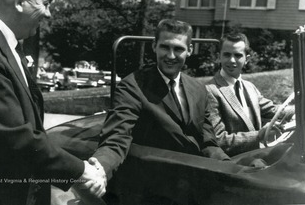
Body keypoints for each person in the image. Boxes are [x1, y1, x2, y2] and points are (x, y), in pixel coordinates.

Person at [0, 0, 105, 205]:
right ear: (21, 1)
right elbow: (12, 136)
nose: (48, 13)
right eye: (46, 3)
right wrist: (82, 171)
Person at [88, 19, 230, 187]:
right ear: (154, 46)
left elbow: (207, 143)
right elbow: (117, 138)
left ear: (189, 50)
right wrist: (100, 169)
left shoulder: (198, 89)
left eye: (178, 49)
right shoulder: (132, 86)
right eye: (165, 47)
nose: (170, 56)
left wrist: (232, 168)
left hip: (193, 183)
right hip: (151, 186)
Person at [205, 32, 294, 157]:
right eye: (226, 54)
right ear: (219, 56)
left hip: (258, 157)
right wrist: (259, 135)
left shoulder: (249, 87)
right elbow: (219, 140)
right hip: (233, 164)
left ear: (247, 58)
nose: (232, 60)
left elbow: (273, 109)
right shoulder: (210, 90)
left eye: (238, 55)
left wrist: (299, 111)